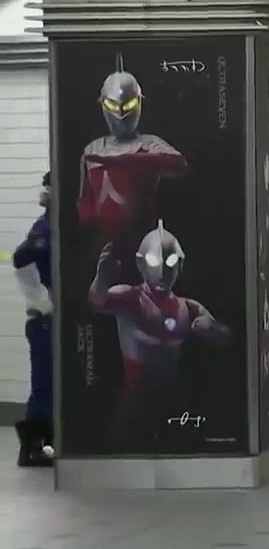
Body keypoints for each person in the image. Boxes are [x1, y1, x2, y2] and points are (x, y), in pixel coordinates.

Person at [89, 220, 231, 443]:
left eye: (170, 261)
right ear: (141, 263)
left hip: (173, 401)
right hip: (134, 403)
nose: (163, 271)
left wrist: (212, 329)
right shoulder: (131, 298)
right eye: (155, 260)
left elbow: (224, 338)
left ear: (180, 264)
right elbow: (97, 302)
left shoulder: (188, 307)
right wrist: (101, 280)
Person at [77, 55, 187, 288]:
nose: (120, 113)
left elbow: (176, 164)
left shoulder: (150, 144)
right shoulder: (93, 149)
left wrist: (121, 162)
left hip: (143, 243)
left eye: (127, 106)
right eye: (113, 106)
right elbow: (85, 201)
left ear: (139, 103)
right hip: (104, 243)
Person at [12, 172, 54, 467]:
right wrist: (44, 303)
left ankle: (48, 439)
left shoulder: (58, 225)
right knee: (45, 383)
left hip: (49, 320)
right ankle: (32, 447)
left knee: (52, 383)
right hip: (44, 321)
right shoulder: (45, 228)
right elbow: (21, 259)